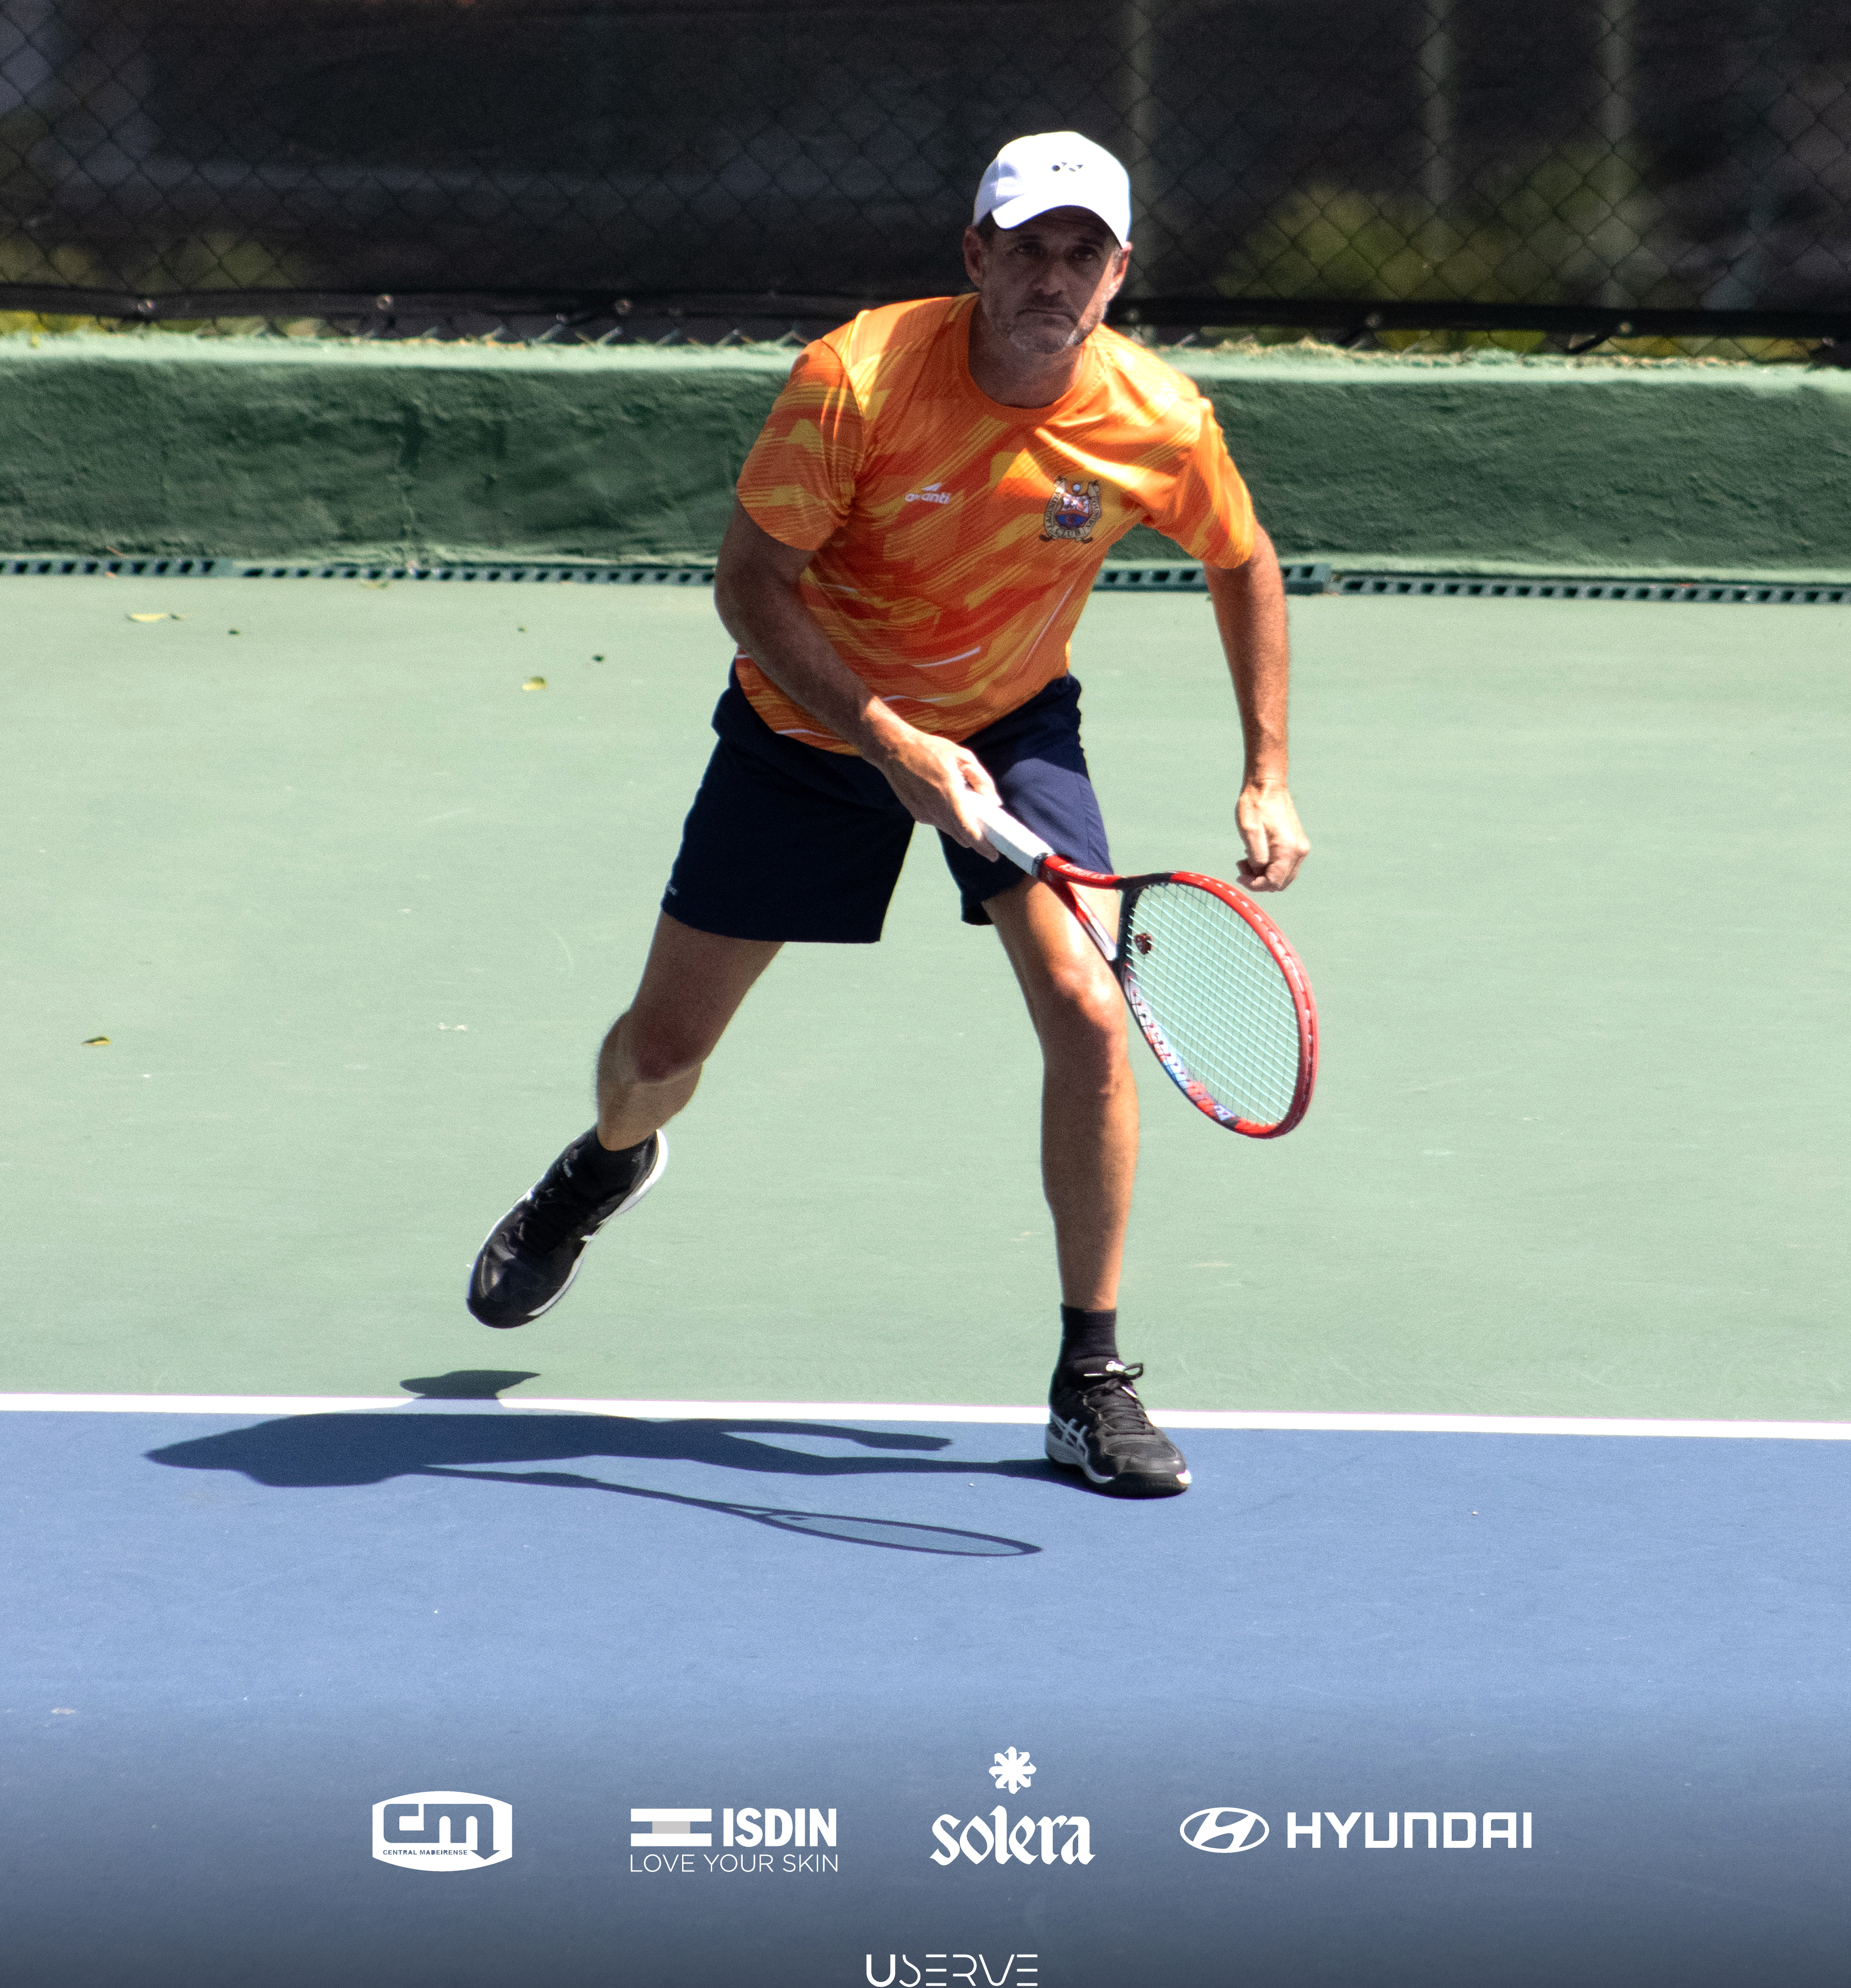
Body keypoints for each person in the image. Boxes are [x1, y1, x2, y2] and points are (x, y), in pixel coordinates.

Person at [467, 131, 1309, 1496]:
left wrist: (1266, 767)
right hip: (812, 728)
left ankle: (1088, 1374)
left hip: (1013, 722)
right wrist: (883, 736)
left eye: (1081, 252)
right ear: (974, 254)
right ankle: (607, 1165)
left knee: (1093, 1015)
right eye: (1027, 247)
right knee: (661, 1050)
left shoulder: (1160, 421)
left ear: (1118, 274)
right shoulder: (855, 381)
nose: (1054, 275)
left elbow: (1246, 559)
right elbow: (751, 586)